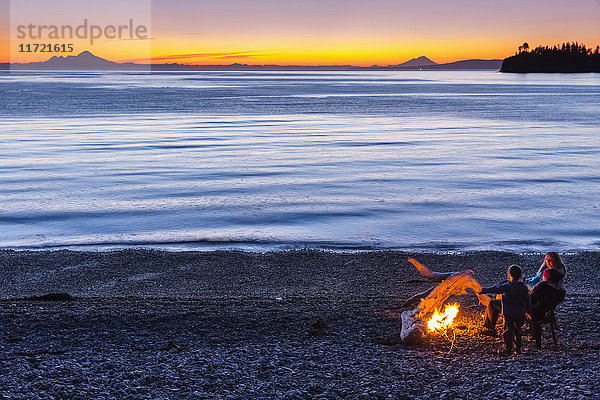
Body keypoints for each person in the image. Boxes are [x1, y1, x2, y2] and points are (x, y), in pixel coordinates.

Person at [478, 265, 532, 355]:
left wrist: (483, 290)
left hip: (509, 313)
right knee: (517, 331)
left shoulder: (507, 286)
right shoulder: (523, 288)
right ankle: (518, 348)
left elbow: (495, 289)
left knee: (507, 331)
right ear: (520, 276)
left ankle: (508, 349)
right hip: (520, 313)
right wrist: (529, 312)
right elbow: (528, 301)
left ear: (510, 275)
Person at [529, 268, 566, 348]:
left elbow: (531, 299)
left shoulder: (544, 286)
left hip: (538, 311)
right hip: (546, 310)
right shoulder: (560, 287)